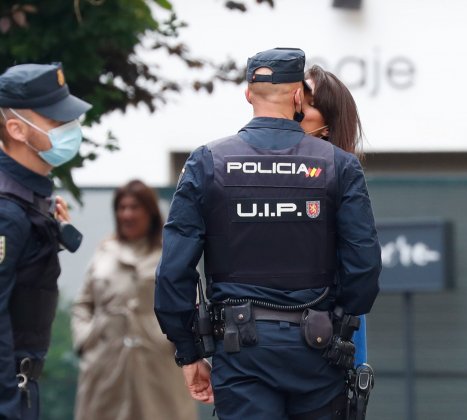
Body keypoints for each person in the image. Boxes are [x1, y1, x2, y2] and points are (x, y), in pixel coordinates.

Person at [155, 47, 381, 419]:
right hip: (319, 348)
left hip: (240, 349)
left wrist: (189, 352)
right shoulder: (340, 167)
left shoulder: (207, 162)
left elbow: (172, 271)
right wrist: (339, 327)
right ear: (296, 97)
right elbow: (365, 266)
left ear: (248, 94)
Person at [0, 62, 91, 420]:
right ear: (17, 130)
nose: (72, 129)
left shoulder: (29, 194)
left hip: (21, 386)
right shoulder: (7, 211)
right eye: (57, 122)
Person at [71, 180, 197, 420]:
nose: (127, 214)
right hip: (104, 359)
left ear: (150, 211)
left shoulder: (168, 254)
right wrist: (86, 339)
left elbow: (190, 302)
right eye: (122, 207)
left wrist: (177, 344)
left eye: (134, 207)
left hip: (158, 360)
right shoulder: (104, 251)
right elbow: (83, 304)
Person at [301, 64, 369, 367]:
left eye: (309, 99)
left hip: (326, 334)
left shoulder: (339, 176)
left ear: (327, 126)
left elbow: (359, 268)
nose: (297, 102)